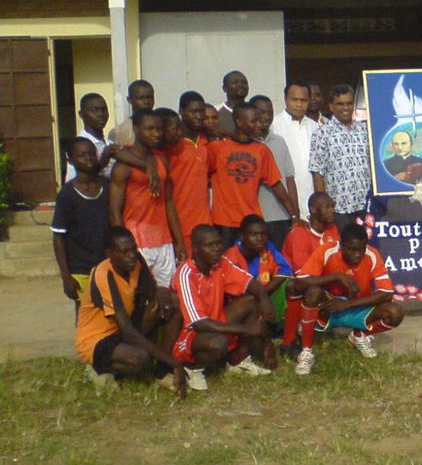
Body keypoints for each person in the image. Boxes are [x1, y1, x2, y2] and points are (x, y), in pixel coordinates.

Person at [76, 227, 186, 395]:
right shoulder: (103, 275)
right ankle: (100, 369)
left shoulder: (136, 263)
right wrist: (175, 362)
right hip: (99, 339)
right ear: (109, 253)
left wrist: (165, 301)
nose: (131, 255)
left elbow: (153, 291)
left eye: (134, 249)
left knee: (172, 304)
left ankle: (162, 372)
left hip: (124, 328)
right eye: (124, 251)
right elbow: (127, 330)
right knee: (140, 359)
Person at [171, 225, 275, 391]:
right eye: (209, 245)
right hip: (190, 334)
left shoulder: (221, 263)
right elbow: (198, 323)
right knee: (218, 342)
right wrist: (246, 329)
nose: (216, 249)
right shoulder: (185, 274)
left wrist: (264, 298)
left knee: (251, 301)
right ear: (196, 249)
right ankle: (192, 368)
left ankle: (238, 360)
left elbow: (248, 282)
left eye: (218, 243)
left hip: (215, 321)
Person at [291, 222, 404, 369]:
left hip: (356, 306)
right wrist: (336, 277)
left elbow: (387, 293)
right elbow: (301, 282)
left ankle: (359, 335)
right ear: (341, 245)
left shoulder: (372, 254)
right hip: (329, 307)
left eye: (361, 249)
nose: (357, 254)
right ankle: (307, 351)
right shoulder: (327, 250)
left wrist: (346, 304)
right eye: (351, 249)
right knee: (313, 293)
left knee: (395, 313)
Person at [108, 109, 186, 287]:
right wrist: (123, 247)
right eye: (149, 129)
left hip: (163, 241)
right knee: (139, 295)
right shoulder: (123, 167)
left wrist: (179, 240)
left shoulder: (161, 161)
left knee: (168, 296)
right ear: (136, 129)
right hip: (136, 241)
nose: (156, 134)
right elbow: (114, 212)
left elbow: (168, 202)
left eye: (159, 129)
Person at [207, 103, 299, 246]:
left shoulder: (262, 151)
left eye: (259, 120)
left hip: (251, 222)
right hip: (224, 222)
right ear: (239, 122)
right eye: (253, 121)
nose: (259, 125)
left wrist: (293, 214)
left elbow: (276, 184)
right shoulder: (217, 148)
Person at [52, 138, 109, 317]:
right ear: (70, 160)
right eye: (82, 155)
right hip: (81, 268)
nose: (89, 158)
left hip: (107, 263)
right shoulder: (67, 194)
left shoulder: (107, 187)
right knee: (86, 314)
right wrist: (66, 276)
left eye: (92, 153)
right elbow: (59, 236)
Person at [280, 192, 340, 358]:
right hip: (296, 285)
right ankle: (289, 341)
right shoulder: (299, 233)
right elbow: (302, 276)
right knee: (300, 287)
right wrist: (335, 277)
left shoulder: (332, 230)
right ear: (313, 210)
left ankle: (356, 333)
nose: (332, 210)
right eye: (327, 207)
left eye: (332, 206)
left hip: (322, 282)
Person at [309, 84, 371, 233]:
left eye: (349, 103)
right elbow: (318, 172)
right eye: (340, 104)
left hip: (366, 206)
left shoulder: (365, 130)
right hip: (339, 210)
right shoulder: (322, 133)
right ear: (331, 106)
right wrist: (323, 208)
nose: (345, 108)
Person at [162, 91, 213, 256]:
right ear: (181, 112)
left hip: (205, 223)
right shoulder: (170, 145)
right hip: (179, 224)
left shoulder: (206, 141)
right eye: (193, 112)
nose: (199, 116)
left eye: (201, 112)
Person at [251, 94, 300, 249]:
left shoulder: (279, 141)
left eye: (270, 112)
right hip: (257, 220)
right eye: (262, 112)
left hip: (282, 217)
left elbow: (289, 180)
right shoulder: (246, 144)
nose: (266, 117)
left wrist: (295, 214)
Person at [271, 82, 317, 220]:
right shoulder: (274, 125)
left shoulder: (316, 127)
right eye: (294, 100)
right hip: (283, 203)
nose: (299, 104)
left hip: (311, 199)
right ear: (285, 99)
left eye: (303, 100)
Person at [67, 93, 118, 181]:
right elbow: (74, 181)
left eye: (104, 110)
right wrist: (102, 161)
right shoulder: (77, 146)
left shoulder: (110, 143)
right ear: (81, 114)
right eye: (94, 110)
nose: (100, 114)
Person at [109, 79, 155, 147]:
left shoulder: (162, 125)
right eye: (141, 98)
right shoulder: (119, 131)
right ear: (129, 99)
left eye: (150, 97)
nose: (147, 102)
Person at [216, 70, 249, 135]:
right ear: (224, 88)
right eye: (235, 82)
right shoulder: (216, 112)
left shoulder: (255, 111)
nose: (240, 85)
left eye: (244, 82)